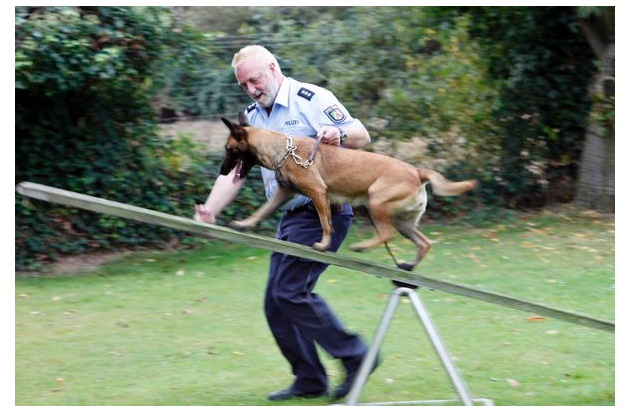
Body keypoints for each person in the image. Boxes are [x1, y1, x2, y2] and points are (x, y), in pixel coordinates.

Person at [194, 45, 374, 401]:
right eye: (244, 85)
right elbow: (235, 172)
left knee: (290, 292)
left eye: (255, 80)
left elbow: (361, 135)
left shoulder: (311, 99)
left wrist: (337, 136)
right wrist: (210, 209)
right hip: (291, 217)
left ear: (273, 68)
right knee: (276, 303)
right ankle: (310, 379)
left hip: (324, 212)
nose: (251, 89)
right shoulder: (250, 118)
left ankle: (356, 356)